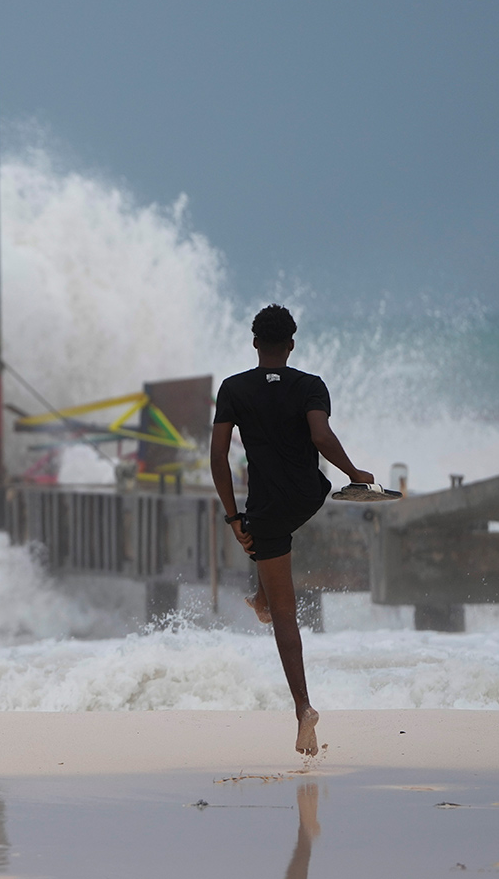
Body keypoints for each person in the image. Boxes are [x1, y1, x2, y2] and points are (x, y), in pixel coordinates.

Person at [210, 305, 373, 756]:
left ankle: (304, 710)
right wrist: (355, 473)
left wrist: (232, 517)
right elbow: (320, 437)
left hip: (264, 509)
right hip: (308, 496)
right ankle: (260, 594)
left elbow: (218, 457)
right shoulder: (310, 385)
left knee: (284, 611)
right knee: (268, 554)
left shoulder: (233, 389)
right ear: (292, 344)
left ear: (255, 342)